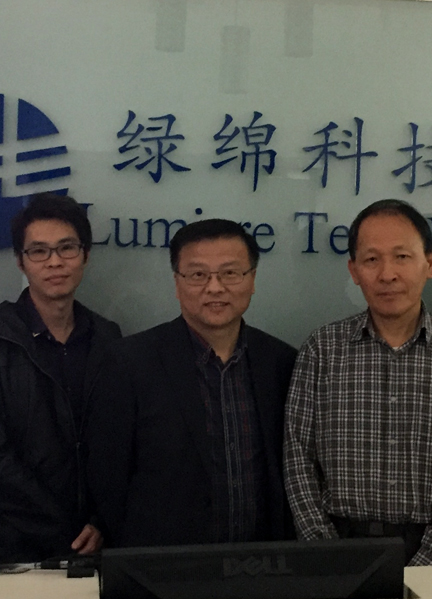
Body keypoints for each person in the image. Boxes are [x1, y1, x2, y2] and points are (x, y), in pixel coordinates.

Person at [284, 199, 432, 566]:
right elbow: (298, 460)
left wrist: (429, 565)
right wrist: (326, 556)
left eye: (402, 257)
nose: (387, 274)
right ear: (354, 269)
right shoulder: (322, 349)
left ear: (429, 264)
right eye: (372, 259)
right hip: (338, 543)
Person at [87, 219, 297, 547]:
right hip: (165, 566)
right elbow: (108, 477)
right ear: (177, 282)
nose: (215, 287)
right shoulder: (130, 363)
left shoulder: (282, 362)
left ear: (252, 279)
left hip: (262, 564)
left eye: (230, 273)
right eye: (198, 274)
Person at [0, 192, 121, 566]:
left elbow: (119, 442)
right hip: (13, 549)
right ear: (20, 261)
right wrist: (66, 531)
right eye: (39, 251)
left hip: (96, 546)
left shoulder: (108, 338)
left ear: (85, 255)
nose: (55, 262)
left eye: (66, 248)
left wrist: (100, 521)